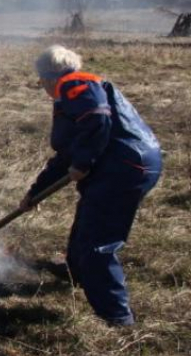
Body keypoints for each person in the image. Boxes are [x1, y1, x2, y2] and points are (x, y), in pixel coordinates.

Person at [21, 45, 161, 326]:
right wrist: (34, 194)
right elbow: (66, 156)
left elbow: (97, 120)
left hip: (124, 168)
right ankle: (76, 272)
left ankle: (117, 317)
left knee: (97, 243)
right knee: (88, 217)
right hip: (125, 165)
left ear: (48, 77)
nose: (44, 89)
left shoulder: (74, 84)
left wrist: (83, 163)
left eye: (40, 82)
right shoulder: (73, 93)